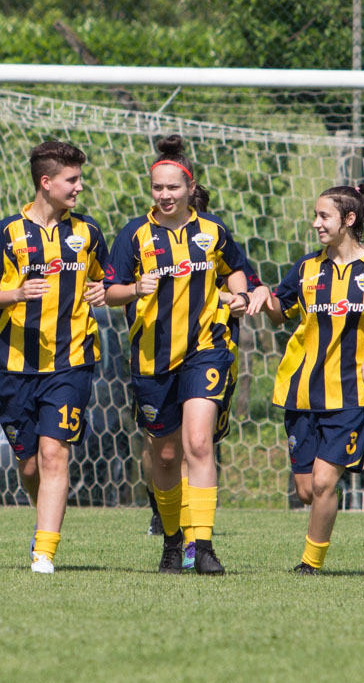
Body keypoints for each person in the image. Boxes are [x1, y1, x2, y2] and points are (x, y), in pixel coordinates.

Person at [105, 135, 269, 575]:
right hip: (152, 358)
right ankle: (172, 542)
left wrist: (240, 297)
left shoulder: (212, 231)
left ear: (188, 187)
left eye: (173, 188)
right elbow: (110, 289)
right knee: (163, 456)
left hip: (206, 349)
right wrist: (133, 289)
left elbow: (238, 271)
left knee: (199, 443)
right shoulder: (133, 235)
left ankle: (205, 545)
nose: (165, 195)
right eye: (158, 188)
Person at [263, 184, 364, 573]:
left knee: (322, 484)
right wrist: (258, 297)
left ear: (348, 220)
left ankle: (310, 565)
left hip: (352, 395)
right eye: (315, 216)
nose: (316, 223)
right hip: (302, 391)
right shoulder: (306, 269)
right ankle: (314, 544)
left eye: (323, 216)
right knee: (305, 491)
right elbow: (279, 313)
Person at [0, 141, 108, 574]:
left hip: (71, 362)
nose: (79, 188)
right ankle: (43, 520)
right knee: (29, 463)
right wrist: (16, 294)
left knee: (55, 454)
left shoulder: (88, 233)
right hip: (14, 366)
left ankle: (44, 553)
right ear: (46, 183)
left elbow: (108, 282)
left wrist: (105, 292)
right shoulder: (5, 233)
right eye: (72, 180)